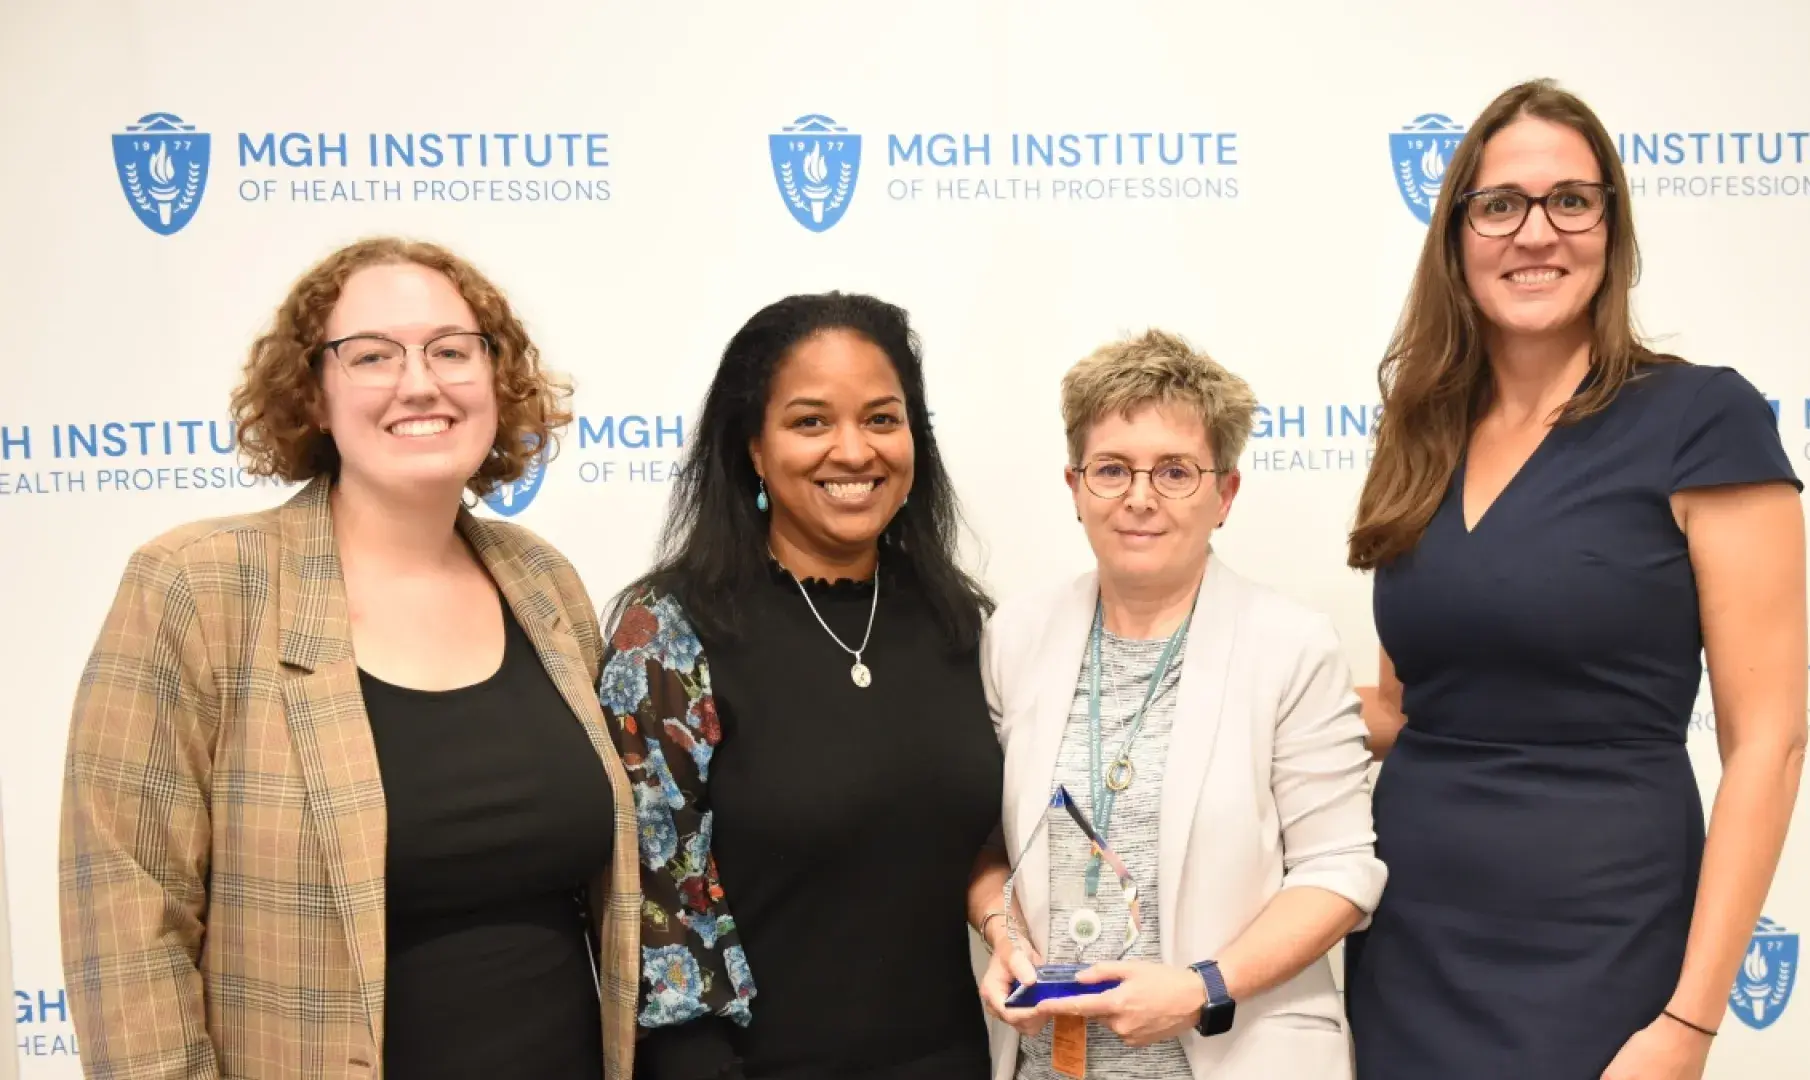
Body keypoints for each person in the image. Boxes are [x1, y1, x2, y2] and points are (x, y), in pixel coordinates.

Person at [58, 237, 641, 1080]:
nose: (420, 382)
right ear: (314, 395)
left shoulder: (541, 580)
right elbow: (124, 919)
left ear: (496, 379)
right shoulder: (198, 586)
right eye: (372, 355)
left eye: (452, 350)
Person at [1342, 78, 1809, 1080]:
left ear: (1611, 225)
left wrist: (1689, 1023)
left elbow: (1767, 745)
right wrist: (1223, 698)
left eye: (1570, 201)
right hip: (1410, 939)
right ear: (1458, 234)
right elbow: (1402, 709)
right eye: (1500, 205)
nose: (1535, 232)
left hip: (1606, 939)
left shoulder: (1703, 419)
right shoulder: (1420, 429)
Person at [597, 291, 1004, 1080]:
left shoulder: (961, 623)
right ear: (753, 445)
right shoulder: (668, 635)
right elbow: (653, 905)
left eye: (882, 419)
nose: (853, 451)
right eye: (811, 421)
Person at [972, 330, 1387, 1080]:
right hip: (1052, 1063)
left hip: (1239, 1057)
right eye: (1112, 470)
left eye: (1174, 471)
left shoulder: (1291, 647)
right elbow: (989, 846)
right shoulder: (1015, 638)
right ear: (1074, 488)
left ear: (1225, 495)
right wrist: (1004, 936)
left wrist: (1203, 988)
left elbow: (1339, 871)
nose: (1140, 497)